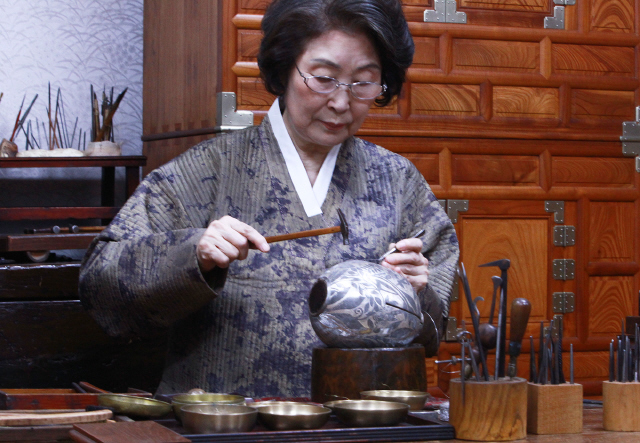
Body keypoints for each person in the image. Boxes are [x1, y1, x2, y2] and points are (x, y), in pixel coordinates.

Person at [79, 0, 460, 398]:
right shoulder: (206, 171)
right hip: (222, 429)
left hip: (355, 429)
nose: (342, 103)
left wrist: (417, 292)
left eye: (363, 82)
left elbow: (433, 334)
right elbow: (100, 291)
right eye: (323, 78)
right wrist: (194, 255)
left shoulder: (397, 181)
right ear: (284, 67)